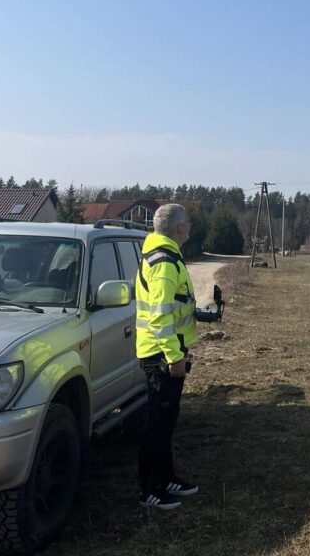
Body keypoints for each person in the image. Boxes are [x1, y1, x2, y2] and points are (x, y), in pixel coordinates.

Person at [134, 203, 202, 510]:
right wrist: (174, 358)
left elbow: (174, 304)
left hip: (170, 350)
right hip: (162, 355)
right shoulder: (163, 261)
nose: (190, 226)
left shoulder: (169, 255)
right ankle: (151, 490)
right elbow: (160, 317)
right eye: (187, 221)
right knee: (157, 424)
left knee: (167, 420)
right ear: (179, 228)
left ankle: (167, 478)